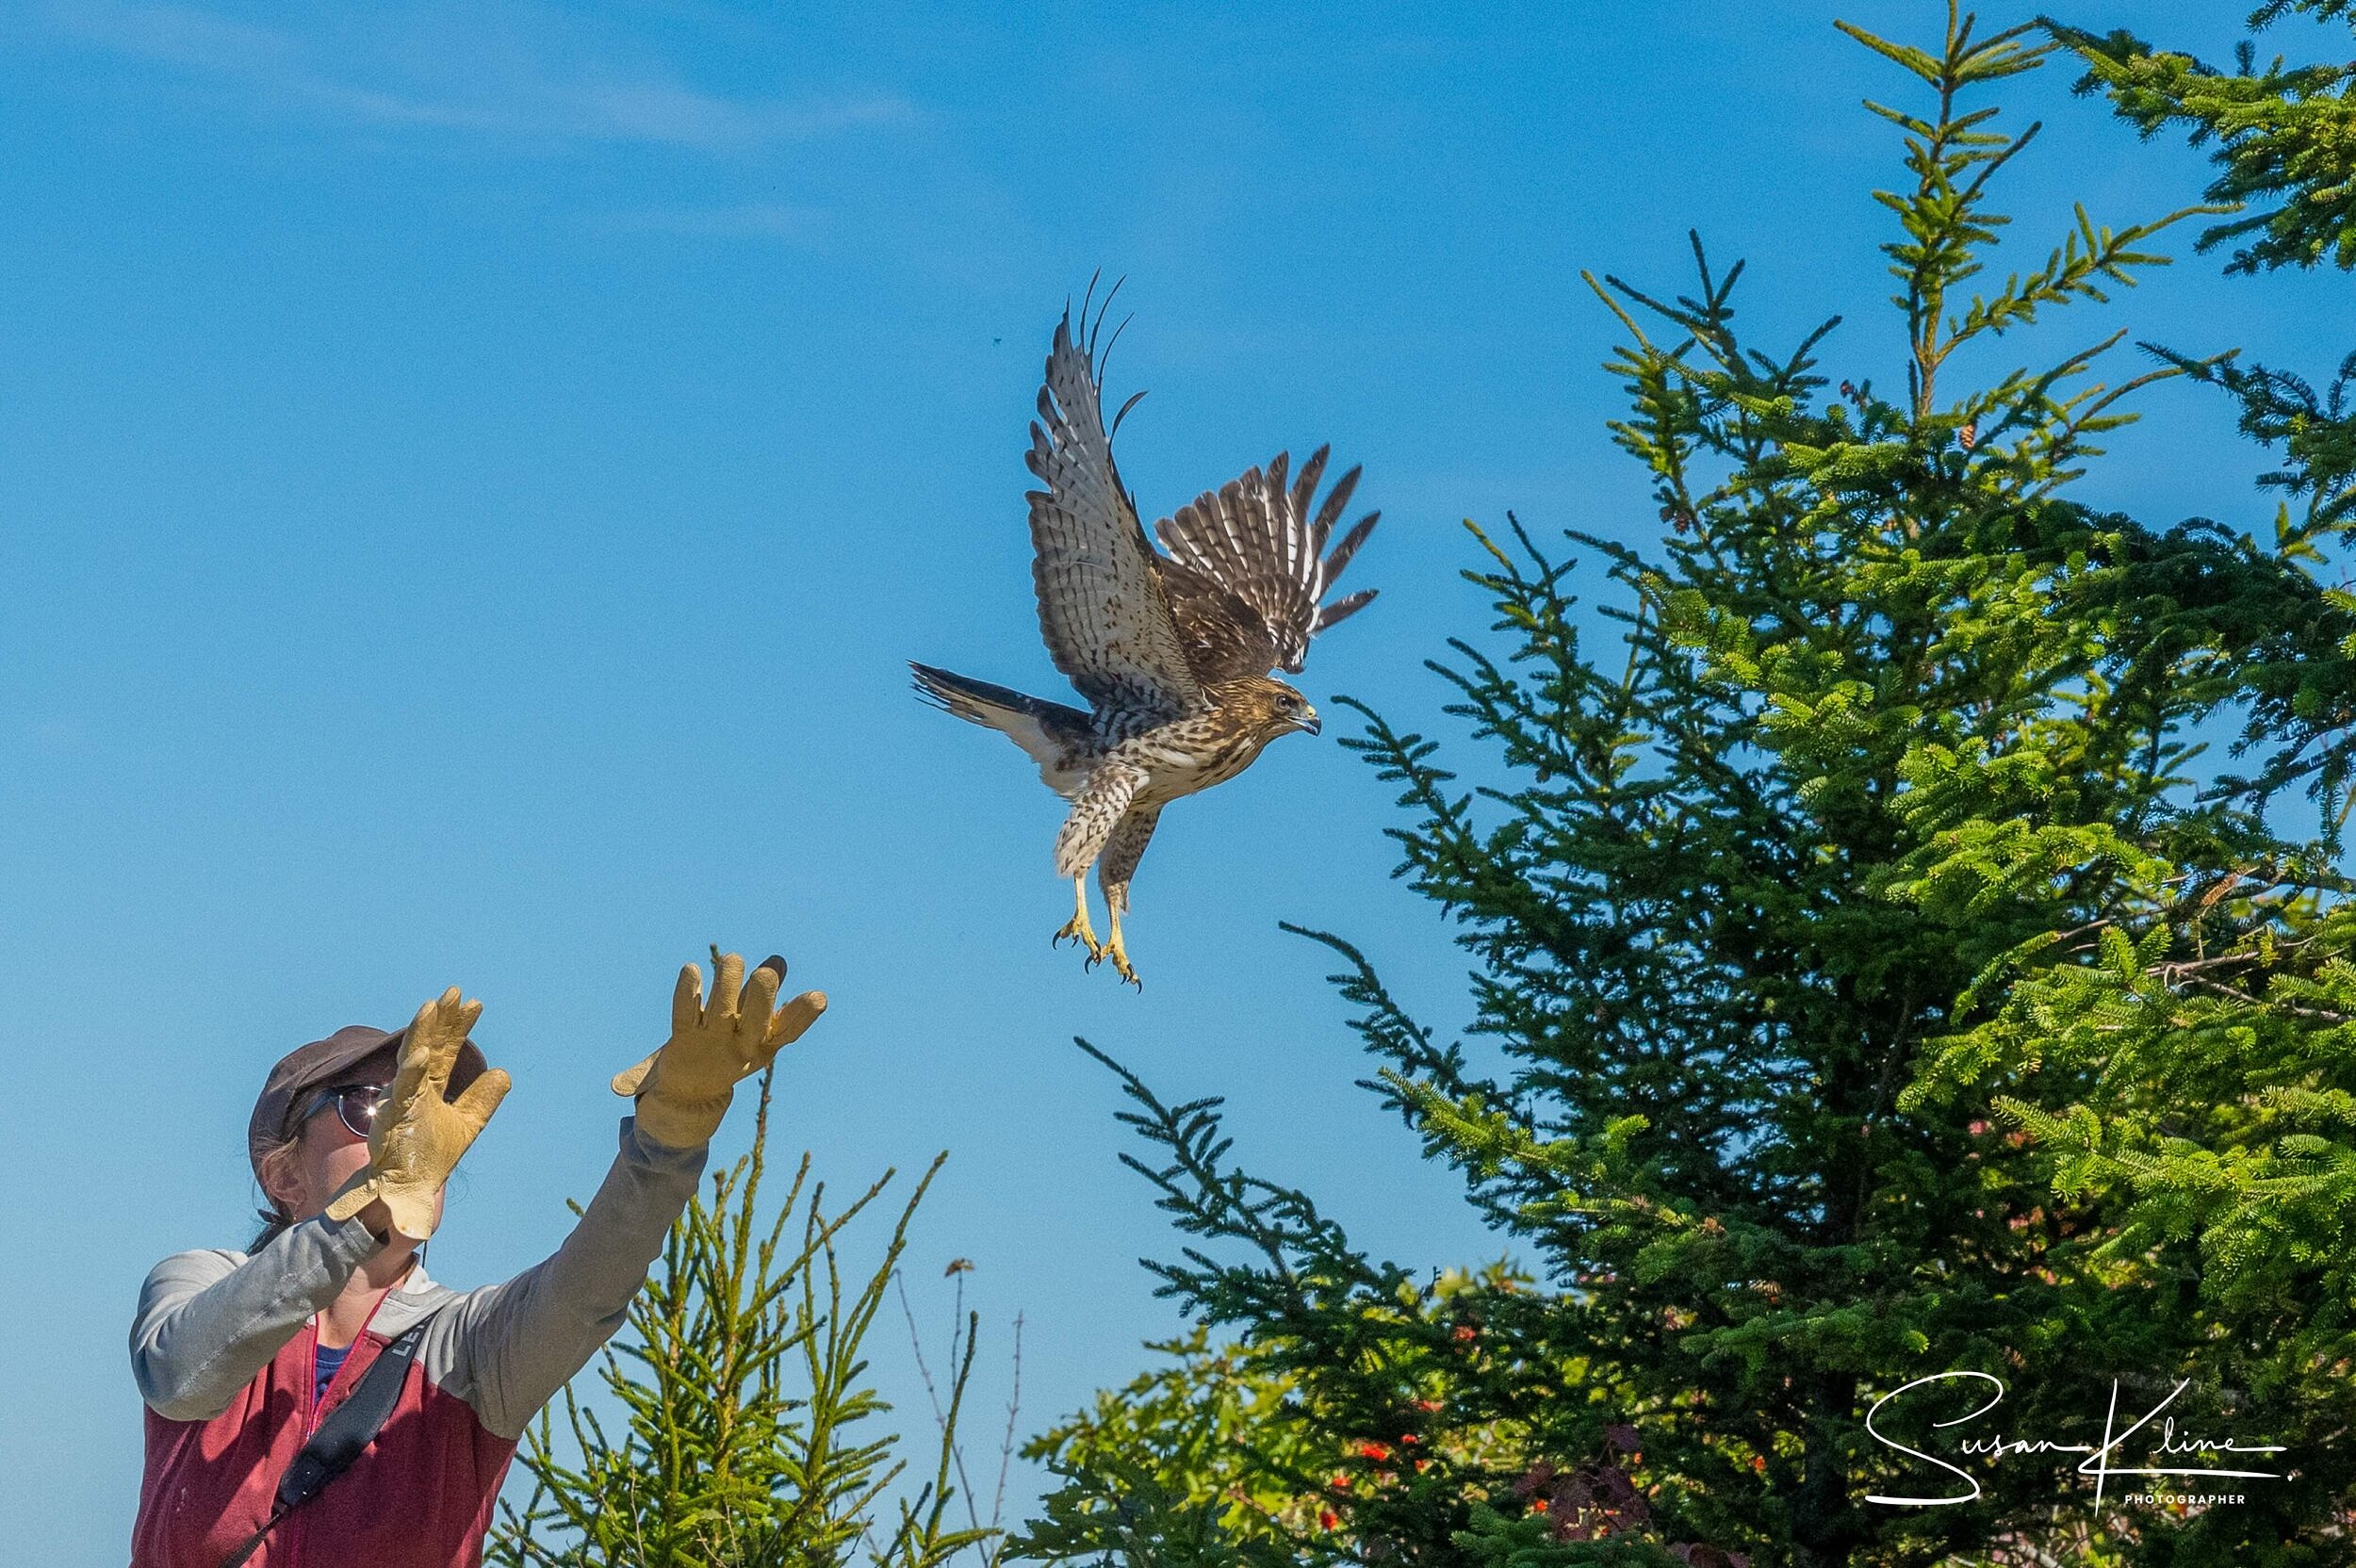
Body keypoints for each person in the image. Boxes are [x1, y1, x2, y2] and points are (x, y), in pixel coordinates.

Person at [127, 950, 826, 1567]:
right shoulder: (200, 1279)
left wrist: (669, 1134)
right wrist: (364, 1218)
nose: (410, 1126)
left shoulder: (470, 1347)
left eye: (428, 1103)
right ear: (283, 1176)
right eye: (371, 1105)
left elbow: (592, 1288)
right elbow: (182, 1377)